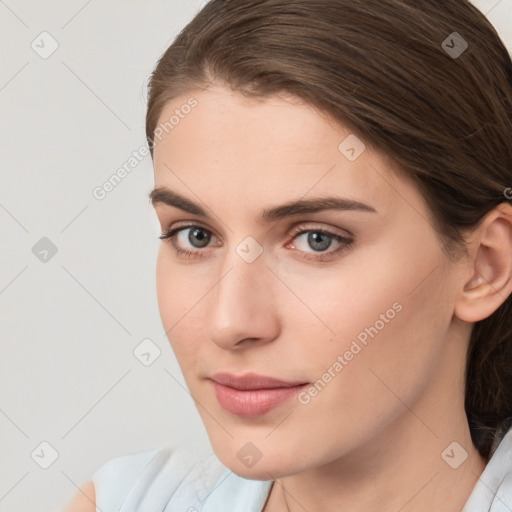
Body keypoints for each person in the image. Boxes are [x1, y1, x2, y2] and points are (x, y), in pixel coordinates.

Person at [65, 0, 512, 510]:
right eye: (194, 235)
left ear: (485, 266)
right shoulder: (125, 501)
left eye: (317, 239)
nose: (229, 322)